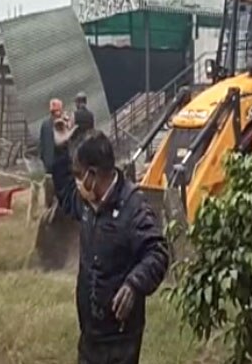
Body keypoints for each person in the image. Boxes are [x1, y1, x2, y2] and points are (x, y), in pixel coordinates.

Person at [51, 124, 169, 364]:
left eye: (78, 174)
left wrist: (134, 284)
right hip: (90, 333)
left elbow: (157, 252)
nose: (76, 181)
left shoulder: (133, 207)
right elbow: (64, 193)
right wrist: (61, 149)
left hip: (121, 339)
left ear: (92, 175)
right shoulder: (86, 203)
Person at [38, 98, 66, 210]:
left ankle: (49, 210)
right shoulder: (61, 124)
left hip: (49, 165)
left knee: (49, 195)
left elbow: (41, 144)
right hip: (58, 166)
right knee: (59, 193)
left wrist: (43, 159)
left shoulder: (45, 124)